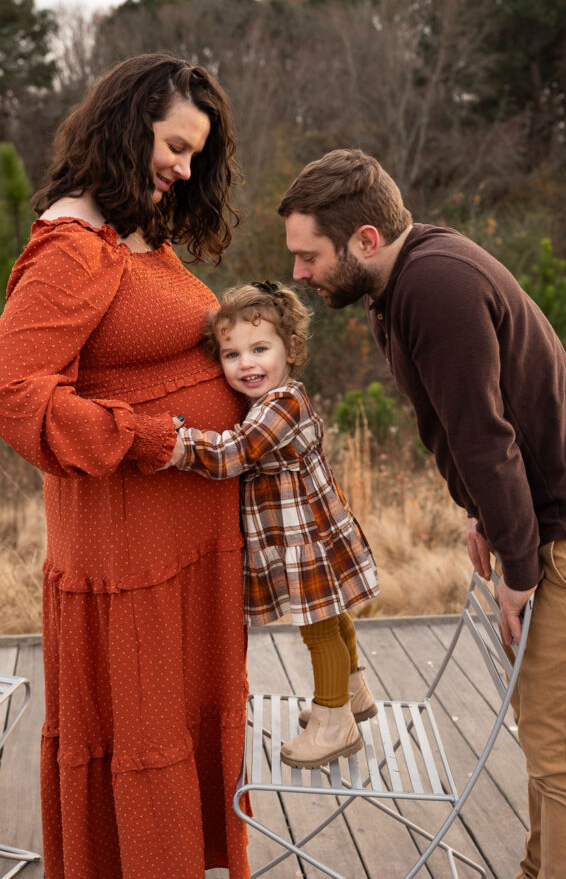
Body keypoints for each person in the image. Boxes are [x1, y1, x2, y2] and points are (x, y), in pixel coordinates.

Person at [277, 147, 566, 879]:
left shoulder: (435, 286)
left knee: (562, 754)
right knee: (544, 738)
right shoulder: (408, 274)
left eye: (309, 257)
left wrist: (518, 569)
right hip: (540, 526)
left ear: (365, 240)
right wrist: (482, 517)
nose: (300, 275)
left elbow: (484, 436)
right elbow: (480, 420)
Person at [0, 53, 251, 879]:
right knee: (141, 741)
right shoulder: (73, 245)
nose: (185, 166)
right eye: (174, 144)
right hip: (128, 554)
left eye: (196, 153)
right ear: (128, 126)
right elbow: (9, 394)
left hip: (186, 550)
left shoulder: (135, 235)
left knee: (179, 732)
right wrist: (150, 437)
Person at [166, 281, 380, 769]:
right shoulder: (266, 402)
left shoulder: (283, 404)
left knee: (318, 629)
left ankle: (335, 723)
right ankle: (354, 692)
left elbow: (233, 454)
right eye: (232, 354)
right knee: (332, 616)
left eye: (260, 349)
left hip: (308, 540)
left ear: (290, 348)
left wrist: (177, 445)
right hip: (305, 536)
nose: (247, 363)